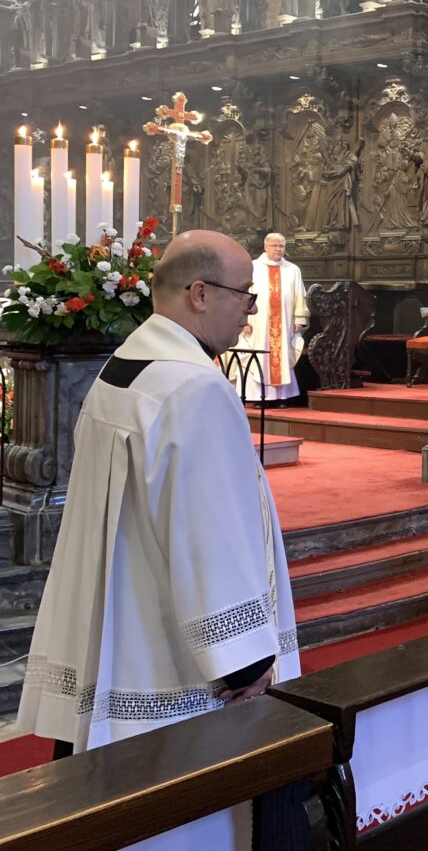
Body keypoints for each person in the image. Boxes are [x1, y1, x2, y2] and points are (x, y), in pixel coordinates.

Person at [17, 231, 299, 844]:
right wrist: (244, 661)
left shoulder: (125, 366)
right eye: (244, 296)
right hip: (170, 661)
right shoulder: (193, 388)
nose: (249, 312)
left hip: (121, 627)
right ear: (200, 293)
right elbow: (207, 534)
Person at [238, 232, 309, 402]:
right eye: (274, 246)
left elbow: (300, 295)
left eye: (281, 246)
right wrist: (244, 320)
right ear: (265, 247)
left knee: (282, 356)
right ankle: (257, 397)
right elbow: (244, 295)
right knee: (258, 354)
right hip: (258, 322)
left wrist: (299, 319)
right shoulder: (253, 267)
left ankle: (281, 397)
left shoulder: (293, 269)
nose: (278, 249)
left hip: (284, 322)